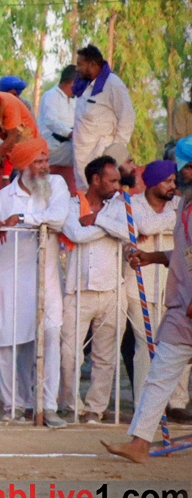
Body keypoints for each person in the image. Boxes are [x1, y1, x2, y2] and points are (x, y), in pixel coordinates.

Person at [101, 169, 192, 463]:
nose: (181, 176)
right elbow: (185, 254)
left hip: (187, 306)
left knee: (160, 373)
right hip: (182, 308)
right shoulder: (185, 207)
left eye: (187, 169)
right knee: (159, 374)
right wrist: (151, 257)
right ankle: (139, 443)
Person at [0, 138, 71, 422]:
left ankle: (47, 406)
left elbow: (57, 218)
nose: (45, 167)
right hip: (7, 278)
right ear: (22, 165)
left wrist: (20, 217)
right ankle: (15, 406)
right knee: (9, 344)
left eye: (45, 160)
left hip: (46, 279)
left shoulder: (56, 184)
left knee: (50, 337)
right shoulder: (3, 197)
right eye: (38, 162)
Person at [90, 159, 185, 423]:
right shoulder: (131, 204)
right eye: (167, 181)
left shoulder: (179, 205)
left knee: (178, 345)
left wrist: (160, 223)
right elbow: (140, 228)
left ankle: (177, 403)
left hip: (174, 285)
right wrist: (167, 223)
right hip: (139, 283)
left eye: (174, 181)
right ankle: (145, 407)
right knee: (145, 345)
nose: (172, 186)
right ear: (153, 183)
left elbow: (146, 227)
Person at [59, 156, 129, 426]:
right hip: (77, 290)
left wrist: (97, 218)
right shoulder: (70, 204)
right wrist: (108, 227)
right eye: (112, 181)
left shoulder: (119, 205)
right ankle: (71, 404)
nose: (117, 186)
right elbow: (76, 234)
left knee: (106, 356)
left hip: (112, 290)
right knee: (69, 354)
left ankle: (95, 409)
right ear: (95, 180)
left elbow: (128, 231)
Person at [70, 44, 136, 170]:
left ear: (92, 65)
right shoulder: (82, 85)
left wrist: (115, 149)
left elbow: (127, 117)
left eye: (80, 65)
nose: (77, 69)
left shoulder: (113, 84)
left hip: (101, 154)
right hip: (81, 154)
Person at [38, 66, 80, 186]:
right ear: (73, 83)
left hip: (69, 144)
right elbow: (51, 121)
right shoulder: (51, 96)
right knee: (84, 153)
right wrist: (71, 133)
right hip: (51, 146)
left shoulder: (75, 100)